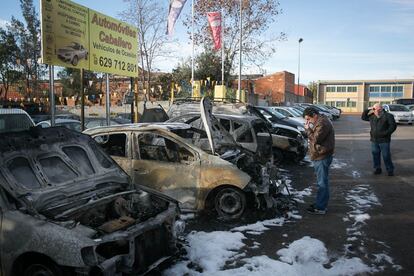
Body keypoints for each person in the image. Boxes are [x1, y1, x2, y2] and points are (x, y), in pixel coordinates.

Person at [303, 107, 335, 215]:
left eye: (308, 119)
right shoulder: (320, 121)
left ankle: (321, 207)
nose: (307, 121)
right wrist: (310, 129)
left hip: (322, 156)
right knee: (322, 181)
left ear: (314, 115)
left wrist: (308, 129)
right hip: (320, 155)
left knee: (322, 183)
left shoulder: (323, 123)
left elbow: (316, 139)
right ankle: (320, 204)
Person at [361, 103, 397, 176]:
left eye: (376, 109)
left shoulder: (388, 116)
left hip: (384, 140)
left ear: (381, 109)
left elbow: (393, 126)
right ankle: (377, 168)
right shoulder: (372, 116)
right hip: (374, 140)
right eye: (374, 109)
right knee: (375, 155)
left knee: (386, 155)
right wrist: (368, 109)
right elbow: (363, 117)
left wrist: (386, 133)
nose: (375, 111)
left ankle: (390, 169)